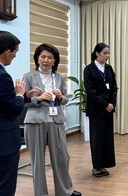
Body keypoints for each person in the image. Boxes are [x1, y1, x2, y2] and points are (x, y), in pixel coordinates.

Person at [23, 43, 81, 196]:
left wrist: (61, 96)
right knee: (38, 162)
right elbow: (23, 101)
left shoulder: (60, 77)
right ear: (37, 59)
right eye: (43, 56)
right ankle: (41, 193)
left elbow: (66, 100)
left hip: (56, 122)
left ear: (55, 61)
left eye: (50, 57)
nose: (46, 60)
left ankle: (65, 191)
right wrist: (39, 98)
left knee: (62, 158)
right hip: (35, 122)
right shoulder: (28, 77)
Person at [84, 43, 118, 178]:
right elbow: (91, 91)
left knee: (107, 138)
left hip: (108, 109)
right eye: (105, 53)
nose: (107, 56)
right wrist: (105, 104)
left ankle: (104, 164)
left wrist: (112, 104)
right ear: (97, 53)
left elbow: (114, 87)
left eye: (108, 53)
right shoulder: (89, 69)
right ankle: (96, 167)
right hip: (97, 109)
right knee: (97, 139)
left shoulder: (109, 68)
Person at [0, 31, 26, 196]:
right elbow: (13, 109)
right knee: (6, 186)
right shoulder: (3, 76)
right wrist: (19, 94)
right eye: (15, 52)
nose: (15, 56)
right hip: (5, 143)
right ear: (7, 52)